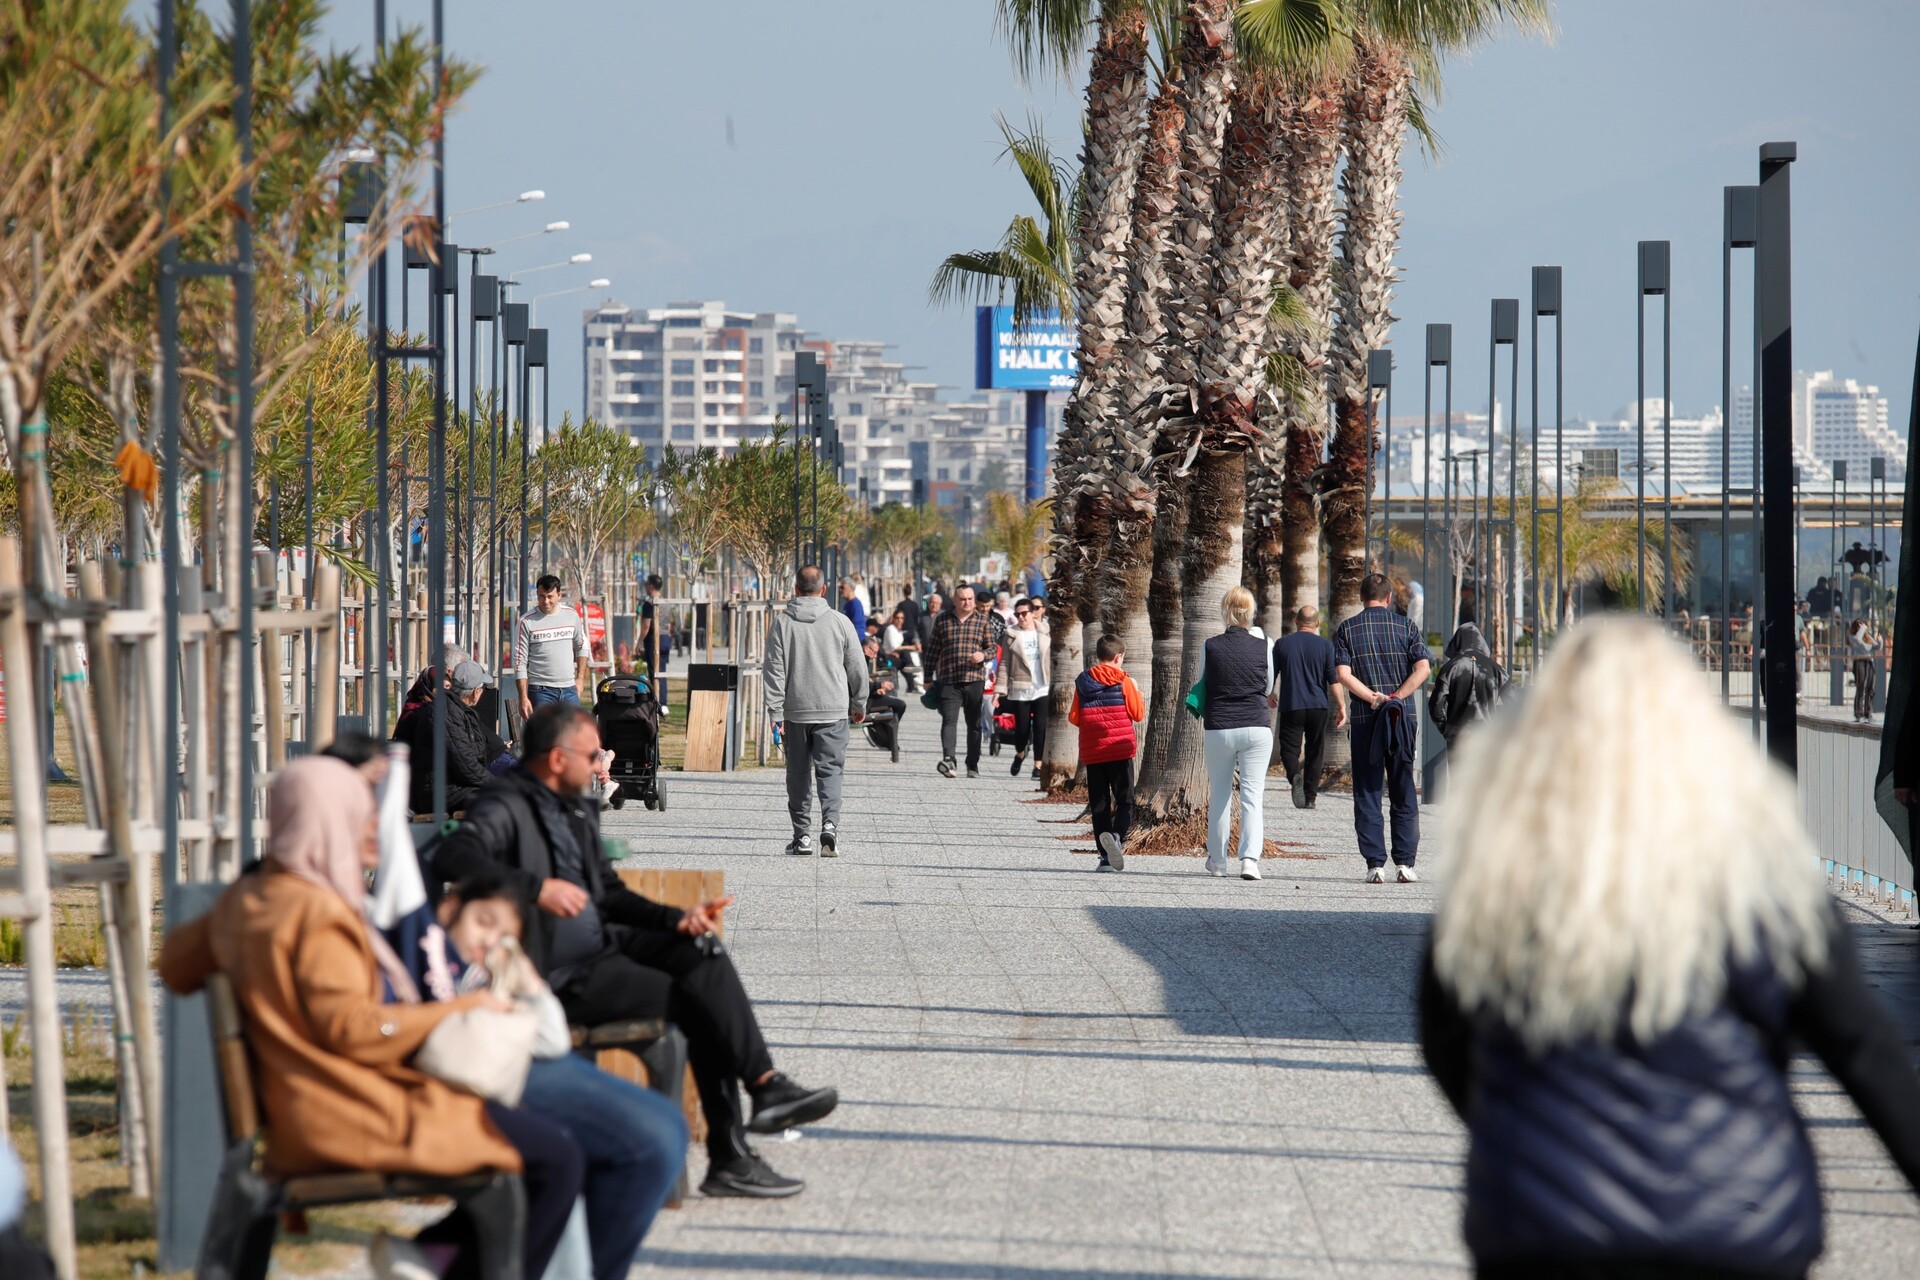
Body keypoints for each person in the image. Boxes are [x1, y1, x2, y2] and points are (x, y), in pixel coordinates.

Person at [1420, 619, 1920, 1280]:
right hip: (1740, 1222)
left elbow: (1449, 1044)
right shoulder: (1763, 886)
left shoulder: (1500, 884)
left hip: (1547, 1228)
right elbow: (1865, 1053)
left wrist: (1532, 1123)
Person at [160, 757, 584, 1280]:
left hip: (305, 1103)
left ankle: (436, 1257)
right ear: (324, 824)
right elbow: (356, 1030)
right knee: (558, 1158)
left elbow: (175, 967)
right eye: (358, 818)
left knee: (541, 1147)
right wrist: (459, 1007)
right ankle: (445, 1263)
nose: (372, 830)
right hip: (347, 1110)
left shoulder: (250, 900)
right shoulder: (318, 916)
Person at [433, 704, 838, 1198]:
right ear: (558, 759)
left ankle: (766, 1087)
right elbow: (453, 854)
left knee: (699, 950)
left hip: (602, 943)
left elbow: (607, 893)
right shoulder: (506, 802)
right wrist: (535, 889)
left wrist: (676, 919)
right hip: (553, 972)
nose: (604, 764)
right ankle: (733, 1152)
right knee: (693, 998)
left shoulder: (577, 803)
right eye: (594, 755)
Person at [435, 872, 688, 1280]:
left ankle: (441, 1249)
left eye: (502, 936)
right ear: (451, 908)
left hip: (506, 1074)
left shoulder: (485, 976)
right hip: (462, 1087)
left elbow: (552, 1040)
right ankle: (443, 1250)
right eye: (481, 921)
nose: (487, 940)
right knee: (604, 1150)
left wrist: (530, 985)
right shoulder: (437, 962)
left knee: (659, 1131)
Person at [1334, 572, 1433, 884]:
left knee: (1368, 790)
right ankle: (1405, 864)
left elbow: (1343, 673)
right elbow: (1423, 668)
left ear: (1362, 598)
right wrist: (1396, 697)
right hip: (1401, 719)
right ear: (1389, 598)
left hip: (1366, 719)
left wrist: (1372, 698)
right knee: (1403, 789)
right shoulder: (1406, 626)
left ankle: (1375, 864)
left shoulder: (1347, 629)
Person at [764, 566, 868, 857]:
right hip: (833, 710)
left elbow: (774, 670)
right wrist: (859, 703)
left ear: (795, 589)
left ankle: (802, 837)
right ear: (824, 590)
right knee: (830, 771)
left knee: (797, 774)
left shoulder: (782, 624)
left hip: (795, 712)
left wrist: (775, 712)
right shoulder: (841, 622)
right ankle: (830, 826)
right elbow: (857, 666)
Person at [1198, 587, 1274, 881]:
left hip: (1219, 726)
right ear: (1251, 612)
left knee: (1220, 795)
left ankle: (1217, 862)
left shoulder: (1210, 645)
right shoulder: (1265, 645)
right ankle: (1250, 861)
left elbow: (1203, 681)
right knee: (1252, 796)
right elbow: (1266, 688)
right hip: (1256, 725)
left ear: (1225, 611)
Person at [1069, 634, 1145, 871]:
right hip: (1119, 750)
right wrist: (1137, 693)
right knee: (1125, 801)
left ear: (1098, 655)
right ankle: (1116, 837)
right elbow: (1138, 714)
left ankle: (1104, 858)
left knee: (1099, 803)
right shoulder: (1125, 681)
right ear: (1118, 657)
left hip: (1093, 752)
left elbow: (1074, 717)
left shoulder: (1083, 681)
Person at [392, 660, 502, 815]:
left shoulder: (460, 711)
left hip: (455, 787)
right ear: (476, 691)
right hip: (440, 792)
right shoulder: (445, 712)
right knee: (501, 799)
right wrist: (498, 784)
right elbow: (465, 763)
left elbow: (475, 755)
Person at [1272, 606, 1347, 811]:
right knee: (1315, 751)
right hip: (1318, 706)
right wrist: (1341, 706)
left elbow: (1272, 673)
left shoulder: (1282, 644)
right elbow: (1333, 680)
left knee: (1289, 748)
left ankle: (1294, 774)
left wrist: (1270, 694)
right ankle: (1311, 797)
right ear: (1317, 624)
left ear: (1296, 621)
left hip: (1291, 705)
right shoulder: (1325, 647)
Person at [927, 583, 996, 779]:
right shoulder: (943, 621)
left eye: (970, 599)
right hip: (949, 680)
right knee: (949, 721)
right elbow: (932, 650)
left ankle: (972, 763)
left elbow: (992, 648)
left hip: (974, 679)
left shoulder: (983, 621)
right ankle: (949, 759)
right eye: (963, 599)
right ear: (955, 600)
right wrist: (926, 678)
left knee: (973, 723)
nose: (967, 602)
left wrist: (982, 655)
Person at [1428, 622, 1507, 768]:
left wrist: (1446, 729)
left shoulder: (1449, 668)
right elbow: (1513, 703)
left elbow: (1435, 706)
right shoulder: (1496, 669)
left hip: (1458, 738)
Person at [515, 574, 590, 723]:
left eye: (550, 596)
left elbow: (581, 646)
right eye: (541, 596)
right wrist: (523, 698)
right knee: (545, 738)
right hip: (540, 691)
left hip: (569, 689)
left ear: (559, 595)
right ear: (536, 594)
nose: (546, 601)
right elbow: (519, 662)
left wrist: (580, 679)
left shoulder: (571, 616)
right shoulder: (526, 622)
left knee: (571, 736)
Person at [1001, 596, 1049, 780]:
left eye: (1024, 613)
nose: (1021, 617)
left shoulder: (1045, 632)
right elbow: (1004, 662)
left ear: (1032, 613)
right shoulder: (1011, 634)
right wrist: (1000, 688)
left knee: (1040, 727)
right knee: (1022, 729)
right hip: (1020, 688)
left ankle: (1038, 765)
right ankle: (1020, 753)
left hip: (1042, 686)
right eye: (1017, 614)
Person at [884, 607, 922, 693]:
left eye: (902, 618)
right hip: (888, 656)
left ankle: (911, 685)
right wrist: (911, 647)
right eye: (897, 618)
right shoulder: (890, 629)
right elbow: (894, 647)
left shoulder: (899, 631)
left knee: (905, 659)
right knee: (905, 654)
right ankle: (911, 681)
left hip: (896, 655)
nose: (900, 620)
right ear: (893, 618)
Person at [1848, 616, 1879, 722]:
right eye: (1858, 625)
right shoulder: (1853, 638)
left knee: (1871, 688)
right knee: (1861, 688)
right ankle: (1858, 713)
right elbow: (1860, 643)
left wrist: (1880, 641)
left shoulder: (1866, 636)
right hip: (1859, 662)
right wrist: (1863, 628)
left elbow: (1877, 646)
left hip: (1869, 662)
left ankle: (1868, 712)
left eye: (1862, 624)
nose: (1861, 626)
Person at [690, 573, 710, 651]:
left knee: (698, 636)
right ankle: (703, 646)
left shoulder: (697, 606)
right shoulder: (704, 606)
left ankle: (699, 646)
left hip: (698, 624)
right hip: (703, 625)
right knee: (703, 636)